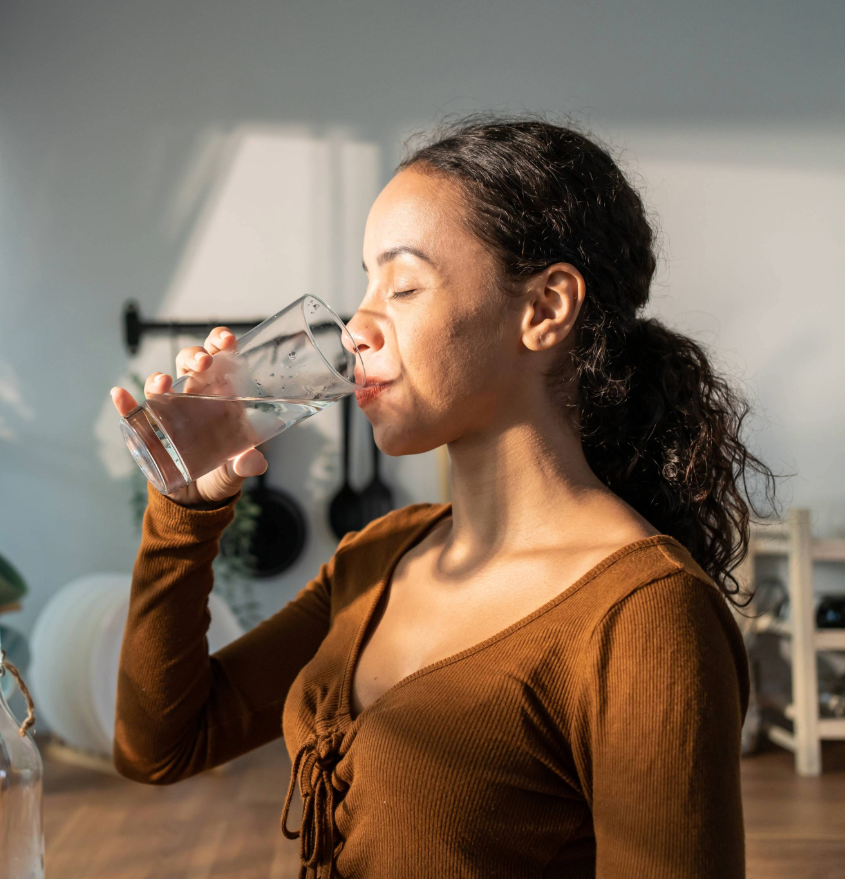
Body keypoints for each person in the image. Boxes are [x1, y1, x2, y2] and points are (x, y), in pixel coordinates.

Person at [108, 115, 775, 878]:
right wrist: (186, 510)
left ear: (545, 308)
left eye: (403, 285)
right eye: (364, 282)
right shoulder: (380, 558)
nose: (357, 325)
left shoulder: (644, 616)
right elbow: (157, 743)